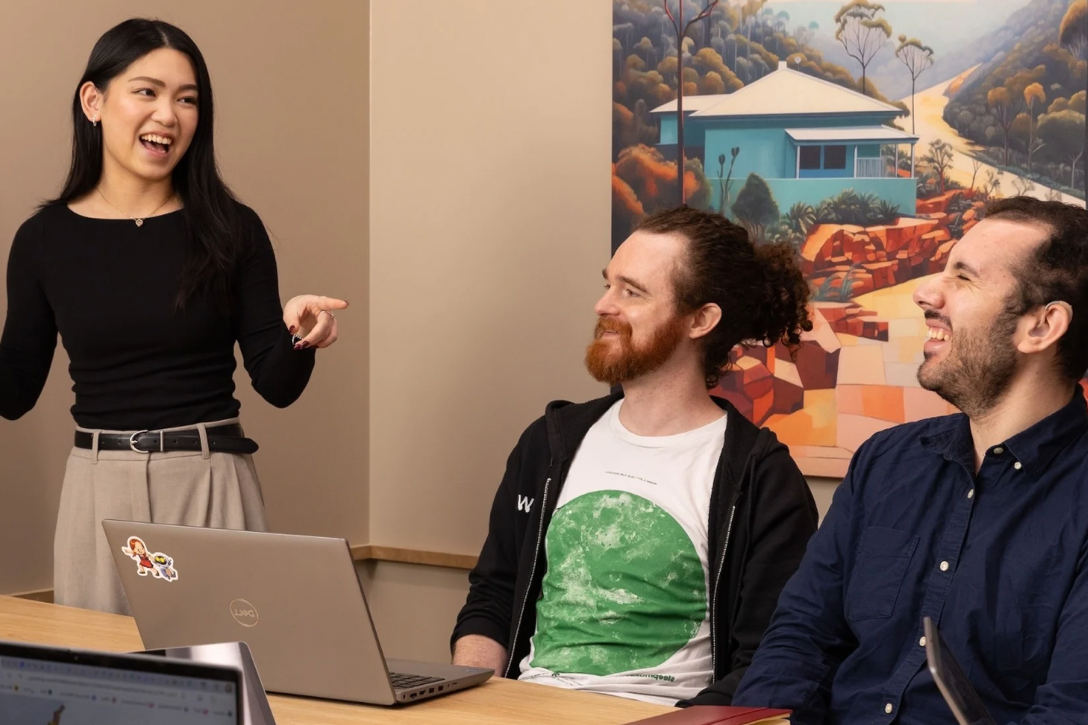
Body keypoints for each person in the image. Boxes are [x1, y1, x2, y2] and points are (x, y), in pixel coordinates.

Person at [0, 18, 345, 614]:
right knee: (101, 693)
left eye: (187, 100)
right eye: (147, 91)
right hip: (97, 486)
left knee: (226, 685)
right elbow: (13, 392)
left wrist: (302, 337)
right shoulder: (43, 239)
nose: (168, 114)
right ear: (94, 100)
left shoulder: (233, 228)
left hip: (212, 479)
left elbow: (277, 385)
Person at [732, 196, 1088, 724]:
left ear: (1041, 326)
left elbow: (1069, 713)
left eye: (963, 278)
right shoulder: (885, 461)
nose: (925, 292)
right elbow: (799, 639)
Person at [451, 206, 819, 706]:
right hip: (523, 709)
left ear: (700, 320)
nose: (603, 305)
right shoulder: (548, 444)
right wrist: (471, 699)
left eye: (632, 292)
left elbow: (765, 662)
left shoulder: (762, 479)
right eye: (608, 284)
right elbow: (493, 597)